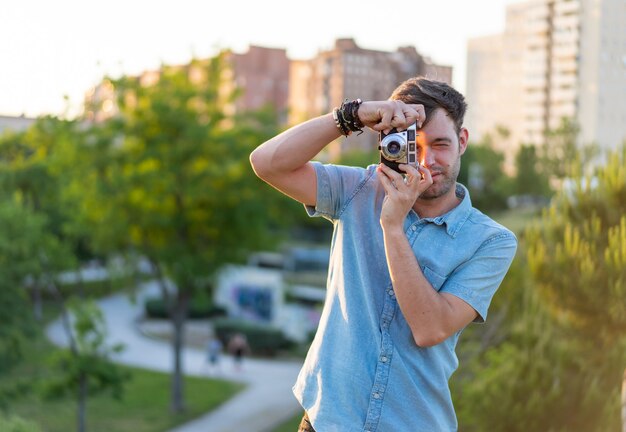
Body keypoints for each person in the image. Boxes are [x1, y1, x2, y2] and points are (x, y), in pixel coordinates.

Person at [249, 77, 517, 431]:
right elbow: (267, 163)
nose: (427, 161)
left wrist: (392, 226)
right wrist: (353, 115)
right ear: (389, 142)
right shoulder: (359, 189)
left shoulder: (491, 241)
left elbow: (430, 327)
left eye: (441, 144)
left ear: (462, 141)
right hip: (328, 421)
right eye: (413, 146)